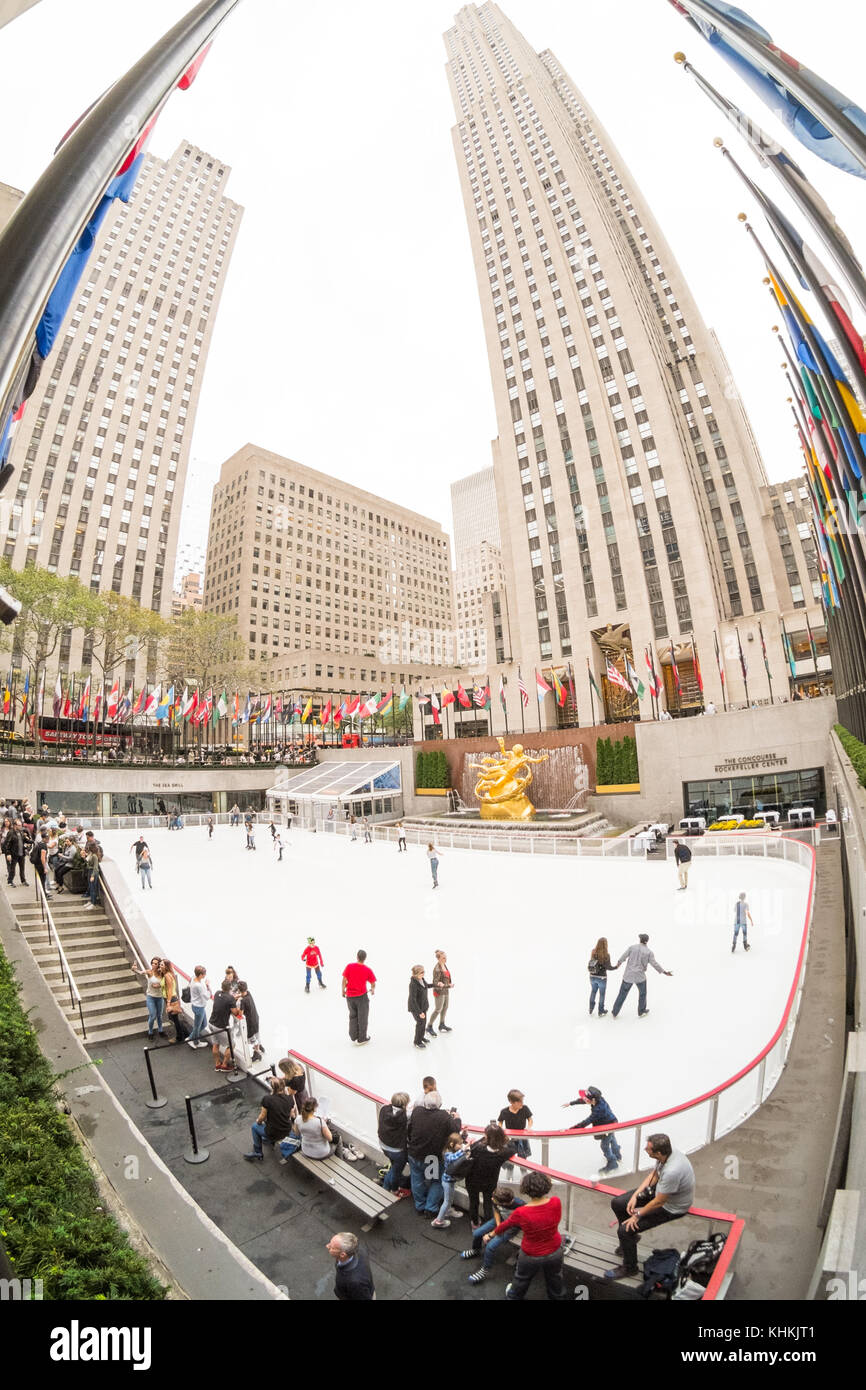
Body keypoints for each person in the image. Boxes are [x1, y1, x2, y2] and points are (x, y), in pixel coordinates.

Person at [605, 1133, 695, 1280]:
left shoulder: (673, 1171)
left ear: (658, 1152)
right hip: (663, 1191)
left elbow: (659, 1201)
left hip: (671, 1206)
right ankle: (630, 1242)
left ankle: (630, 1267)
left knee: (624, 1231)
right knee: (619, 1203)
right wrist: (635, 1195)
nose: (645, 1150)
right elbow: (654, 1175)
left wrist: (637, 1215)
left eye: (648, 1149)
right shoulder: (666, 1155)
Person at [491, 1170, 569, 1301]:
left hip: (531, 1254)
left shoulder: (521, 1212)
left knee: (522, 1279)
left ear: (525, 1190)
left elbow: (505, 1225)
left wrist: (492, 1233)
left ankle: (513, 1297)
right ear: (546, 1186)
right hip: (555, 1250)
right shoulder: (556, 1202)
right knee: (555, 1278)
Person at [406, 1090, 458, 1217]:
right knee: (436, 1181)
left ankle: (420, 1206)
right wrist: (457, 1119)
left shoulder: (417, 1111)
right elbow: (455, 1133)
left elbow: (410, 1129)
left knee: (417, 1179)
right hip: (431, 1159)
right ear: (440, 1105)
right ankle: (431, 1208)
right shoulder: (445, 1118)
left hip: (414, 1153)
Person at [461, 1185, 526, 1285]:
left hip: (512, 1226)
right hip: (501, 1221)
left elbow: (515, 1223)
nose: (491, 1199)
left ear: (504, 1203)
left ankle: (485, 1270)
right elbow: (496, 1211)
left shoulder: (520, 1206)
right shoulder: (496, 1199)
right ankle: (476, 1250)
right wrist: (498, 1224)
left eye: (494, 1199)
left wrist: (494, 1233)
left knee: (490, 1247)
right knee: (477, 1233)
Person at [561, 1085, 622, 1174]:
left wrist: (570, 1130)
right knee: (612, 1138)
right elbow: (583, 1100)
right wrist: (571, 1103)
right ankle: (617, 1154)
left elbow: (586, 1122)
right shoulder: (597, 1100)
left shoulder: (599, 1110)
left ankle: (613, 1163)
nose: (584, 1099)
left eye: (586, 1099)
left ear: (593, 1100)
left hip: (607, 1126)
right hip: (612, 1122)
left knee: (604, 1145)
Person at [465, 1124, 517, 1227]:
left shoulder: (478, 1148)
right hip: (489, 1183)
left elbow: (474, 1145)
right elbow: (513, 1148)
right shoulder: (503, 1153)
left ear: (487, 1136)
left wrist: (485, 1137)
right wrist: (505, 1140)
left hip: (472, 1181)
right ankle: (488, 1224)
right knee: (488, 1204)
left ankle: (475, 1223)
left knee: (473, 1202)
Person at [610, 934, 672, 1018]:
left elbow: (623, 957)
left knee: (622, 994)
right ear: (647, 941)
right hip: (640, 976)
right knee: (642, 994)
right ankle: (641, 1011)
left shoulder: (632, 947)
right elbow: (654, 964)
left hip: (628, 975)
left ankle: (615, 1012)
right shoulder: (649, 952)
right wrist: (664, 972)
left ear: (640, 939)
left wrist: (618, 964)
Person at [244, 1077, 299, 1162]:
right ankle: (267, 1140)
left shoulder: (267, 1099)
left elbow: (262, 1117)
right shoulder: (290, 1099)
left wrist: (258, 1121)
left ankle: (258, 1152)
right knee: (271, 1122)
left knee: (255, 1127)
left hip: (273, 1132)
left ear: (273, 1087)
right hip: (286, 1130)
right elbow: (292, 1115)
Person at [292, 1097, 355, 1162]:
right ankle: (340, 1161)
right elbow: (330, 1138)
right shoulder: (319, 1121)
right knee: (339, 1139)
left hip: (306, 1150)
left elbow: (297, 1133)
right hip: (321, 1154)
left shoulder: (298, 1119)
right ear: (315, 1108)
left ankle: (340, 1157)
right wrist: (325, 1125)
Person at [432, 1132, 469, 1229]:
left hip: (450, 1181)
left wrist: (464, 1136)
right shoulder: (447, 1153)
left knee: (449, 1199)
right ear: (452, 1144)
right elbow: (453, 1158)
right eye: (459, 1144)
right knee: (447, 1201)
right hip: (447, 1182)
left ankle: (447, 1211)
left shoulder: (452, 1150)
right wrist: (463, 1150)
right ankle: (439, 1221)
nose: (461, 1146)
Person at [377, 1092, 411, 1196]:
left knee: (394, 1167)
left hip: (383, 1145)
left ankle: (386, 1187)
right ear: (405, 1105)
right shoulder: (406, 1115)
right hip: (397, 1150)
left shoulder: (383, 1109)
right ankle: (394, 1190)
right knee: (396, 1171)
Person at [327, 1232, 375, 1301]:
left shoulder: (354, 1282)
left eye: (331, 1247)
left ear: (342, 1255)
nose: (327, 1246)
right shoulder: (359, 1251)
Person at [342, 949, 375, 1045]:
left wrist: (343, 990)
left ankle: (353, 1036)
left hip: (350, 997)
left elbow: (344, 979)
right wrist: (372, 989)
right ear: (365, 958)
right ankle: (362, 1038)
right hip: (362, 998)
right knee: (362, 1017)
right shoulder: (367, 970)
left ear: (357, 956)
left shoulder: (349, 966)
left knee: (353, 1016)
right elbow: (373, 982)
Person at [133, 957, 167, 1039]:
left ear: (158, 965)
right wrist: (135, 969)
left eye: (155, 963)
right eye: (152, 963)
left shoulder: (162, 973)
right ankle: (150, 1031)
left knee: (159, 1015)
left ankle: (160, 1030)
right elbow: (140, 972)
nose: (153, 965)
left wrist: (159, 985)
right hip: (151, 997)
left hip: (159, 997)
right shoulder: (149, 972)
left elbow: (166, 982)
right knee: (152, 1015)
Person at [209, 978, 237, 1071]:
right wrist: (234, 1001)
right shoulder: (231, 999)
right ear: (230, 988)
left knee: (216, 1044)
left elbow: (223, 1001)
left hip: (211, 1023)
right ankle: (224, 1065)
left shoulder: (217, 993)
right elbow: (235, 1012)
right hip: (220, 1027)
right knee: (231, 1045)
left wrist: (232, 999)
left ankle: (217, 1064)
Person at [498, 1089, 533, 1161]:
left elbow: (530, 1119)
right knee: (509, 1159)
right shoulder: (504, 1111)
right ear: (511, 1102)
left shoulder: (525, 1108)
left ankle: (523, 1170)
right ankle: (510, 1171)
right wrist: (500, 1130)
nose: (522, 1103)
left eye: (522, 1101)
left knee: (523, 1158)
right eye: (519, 1102)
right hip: (509, 1137)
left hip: (522, 1137)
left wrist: (529, 1128)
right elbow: (500, 1122)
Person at [587, 936, 618, 1016]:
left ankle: (591, 1008)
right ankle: (601, 1011)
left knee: (593, 991)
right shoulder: (606, 955)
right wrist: (616, 967)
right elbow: (609, 967)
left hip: (592, 976)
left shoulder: (593, 952)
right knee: (602, 994)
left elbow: (592, 962)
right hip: (602, 978)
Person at [236, 981, 264, 1062]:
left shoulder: (243, 1001)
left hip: (250, 1022)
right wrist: (237, 996)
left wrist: (237, 1007)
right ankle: (259, 1046)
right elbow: (242, 995)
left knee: (252, 1038)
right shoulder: (248, 993)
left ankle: (257, 1053)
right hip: (255, 1018)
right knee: (257, 1034)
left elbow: (240, 1013)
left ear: (239, 990)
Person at [161, 960, 188, 1043]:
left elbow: (169, 990)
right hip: (172, 998)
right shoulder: (169, 974)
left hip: (171, 999)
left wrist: (168, 1003)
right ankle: (185, 1034)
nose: (160, 966)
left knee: (174, 1019)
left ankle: (180, 1037)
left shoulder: (167, 976)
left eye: (162, 965)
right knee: (174, 1018)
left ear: (166, 966)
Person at [428, 949, 453, 1035]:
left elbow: (446, 977)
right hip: (439, 991)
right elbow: (435, 982)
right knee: (438, 1009)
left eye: (446, 957)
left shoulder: (444, 965)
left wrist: (448, 984)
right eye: (443, 958)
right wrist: (439, 984)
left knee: (445, 1007)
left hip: (445, 990)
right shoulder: (437, 969)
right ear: (438, 959)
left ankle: (442, 1024)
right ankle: (429, 1026)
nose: (445, 959)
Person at [408, 964, 431, 1049]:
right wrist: (419, 1012)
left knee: (424, 1023)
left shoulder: (421, 979)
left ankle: (421, 1037)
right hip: (416, 1008)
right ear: (416, 974)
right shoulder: (413, 984)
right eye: (422, 972)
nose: (423, 973)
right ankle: (417, 1041)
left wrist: (436, 984)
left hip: (423, 1006)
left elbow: (427, 986)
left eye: (424, 971)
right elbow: (413, 1000)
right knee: (420, 1023)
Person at [187, 965, 211, 1048]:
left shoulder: (193, 978)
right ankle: (195, 1042)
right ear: (200, 975)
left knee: (203, 1024)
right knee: (197, 1026)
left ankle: (190, 1038)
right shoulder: (198, 985)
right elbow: (207, 997)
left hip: (197, 1006)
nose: (205, 975)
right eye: (204, 974)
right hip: (199, 1008)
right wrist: (208, 986)